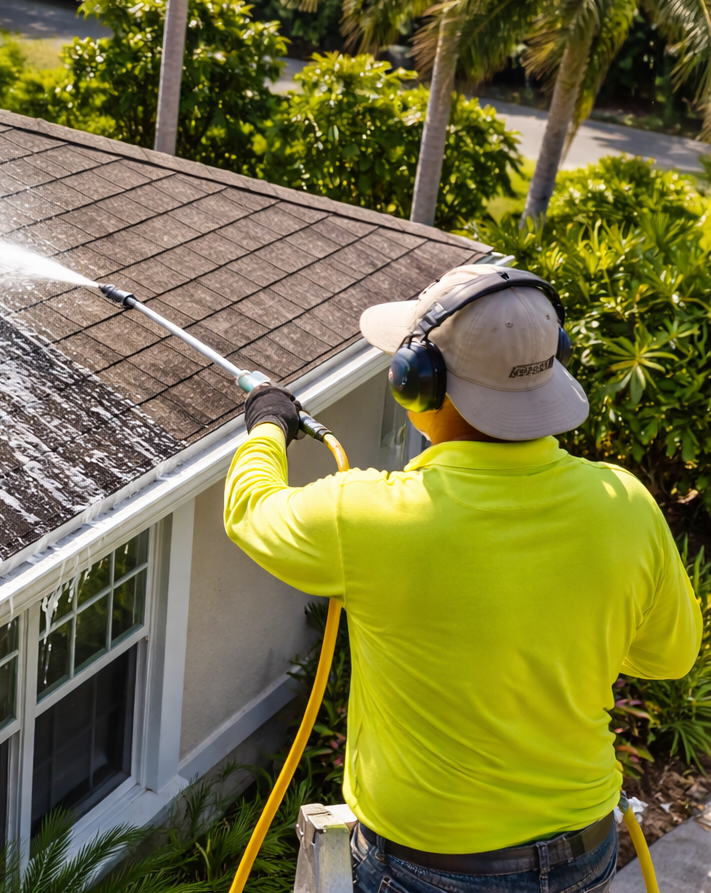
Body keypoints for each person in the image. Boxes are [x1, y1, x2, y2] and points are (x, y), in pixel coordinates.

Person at [224, 263, 701, 893]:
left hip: (430, 870)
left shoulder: (369, 515)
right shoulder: (624, 501)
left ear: (418, 382)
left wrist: (268, 422)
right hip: (585, 851)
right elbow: (669, 657)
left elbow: (249, 510)